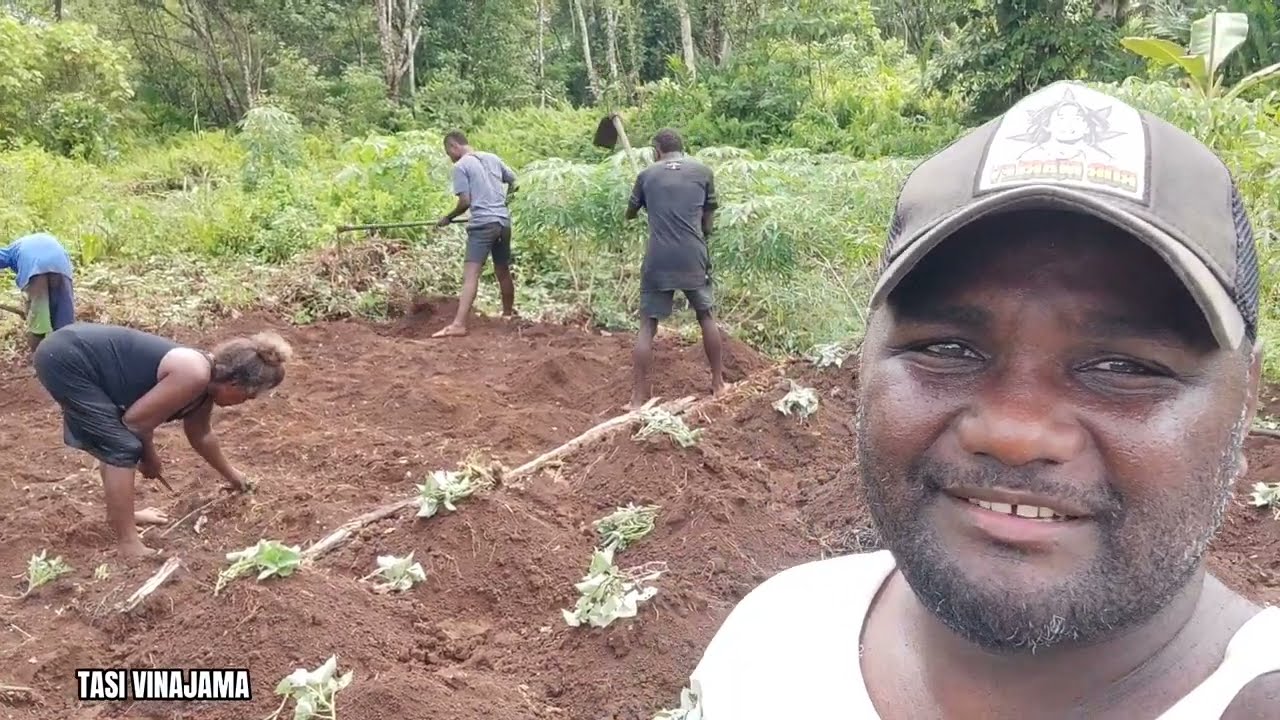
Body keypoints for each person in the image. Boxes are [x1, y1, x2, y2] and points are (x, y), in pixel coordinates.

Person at [684, 81, 1280, 718]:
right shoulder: (771, 641)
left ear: (1245, 403)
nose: (1013, 432)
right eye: (948, 349)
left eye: (1123, 367)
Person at [34, 322, 293, 559]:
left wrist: (235, 477)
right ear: (234, 383)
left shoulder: (205, 387)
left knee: (116, 441)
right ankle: (127, 542)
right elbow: (135, 422)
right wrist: (150, 458)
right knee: (122, 446)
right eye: (247, 397)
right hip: (69, 358)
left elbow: (202, 436)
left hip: (74, 354)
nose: (242, 403)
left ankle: (122, 515)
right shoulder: (194, 373)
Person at [624, 128, 724, 408]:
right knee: (706, 316)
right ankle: (718, 384)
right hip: (693, 255)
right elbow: (708, 224)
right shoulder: (703, 172)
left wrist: (647, 200)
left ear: (656, 151)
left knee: (647, 325)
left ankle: (637, 399)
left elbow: (629, 214)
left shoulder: (646, 176)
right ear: (682, 148)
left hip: (659, 258)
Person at [432, 130, 519, 338]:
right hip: (503, 222)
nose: (450, 158)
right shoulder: (492, 158)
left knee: (471, 275)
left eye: (448, 153)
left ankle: (458, 325)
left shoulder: (461, 166)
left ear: (454, 146)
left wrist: (448, 218)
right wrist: (504, 204)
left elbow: (465, 202)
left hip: (482, 225)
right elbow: (515, 182)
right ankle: (508, 315)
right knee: (502, 270)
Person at [0, 232, 76, 352]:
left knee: (38, 324)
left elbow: (2, 259)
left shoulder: (11, 251)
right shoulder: (38, 241)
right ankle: (68, 355)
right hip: (61, 268)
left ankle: (38, 358)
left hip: (34, 271)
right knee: (64, 320)